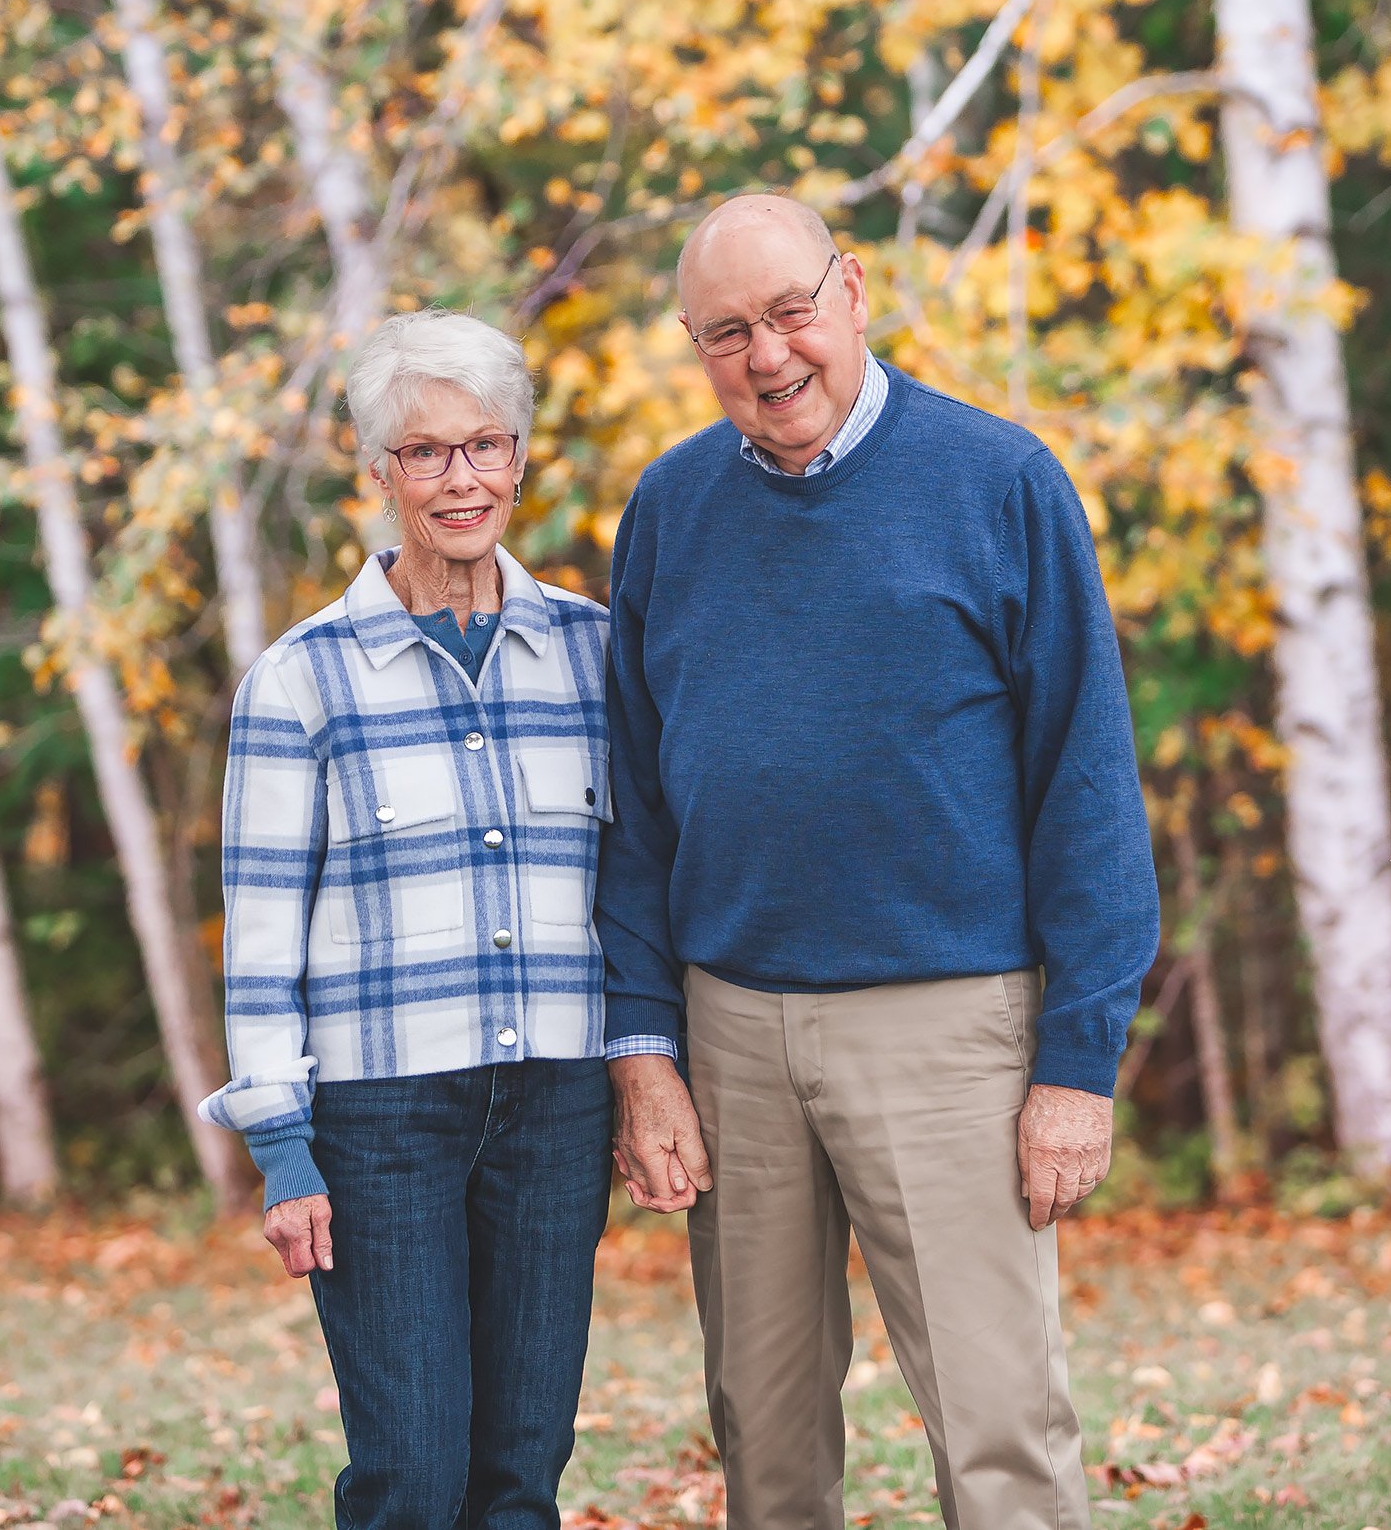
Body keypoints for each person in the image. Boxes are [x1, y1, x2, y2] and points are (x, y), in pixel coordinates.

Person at [596, 194, 1159, 1530]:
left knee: (999, 1424)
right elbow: (629, 802)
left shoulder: (999, 481)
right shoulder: (669, 510)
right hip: (731, 1027)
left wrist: (1077, 1063)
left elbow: (1087, 780)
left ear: (852, 291)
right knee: (764, 1431)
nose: (771, 355)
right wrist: (643, 1042)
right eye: (728, 332)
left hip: (948, 1026)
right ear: (696, 346)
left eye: (792, 311)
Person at [200, 308, 614, 1530]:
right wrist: (282, 1145)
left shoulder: (593, 653)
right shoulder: (300, 680)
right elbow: (262, 938)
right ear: (378, 471)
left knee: (520, 1476)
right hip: (382, 1120)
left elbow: (636, 889)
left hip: (555, 1099)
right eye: (425, 453)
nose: (460, 478)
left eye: (485, 445)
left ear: (520, 459)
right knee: (414, 1475)